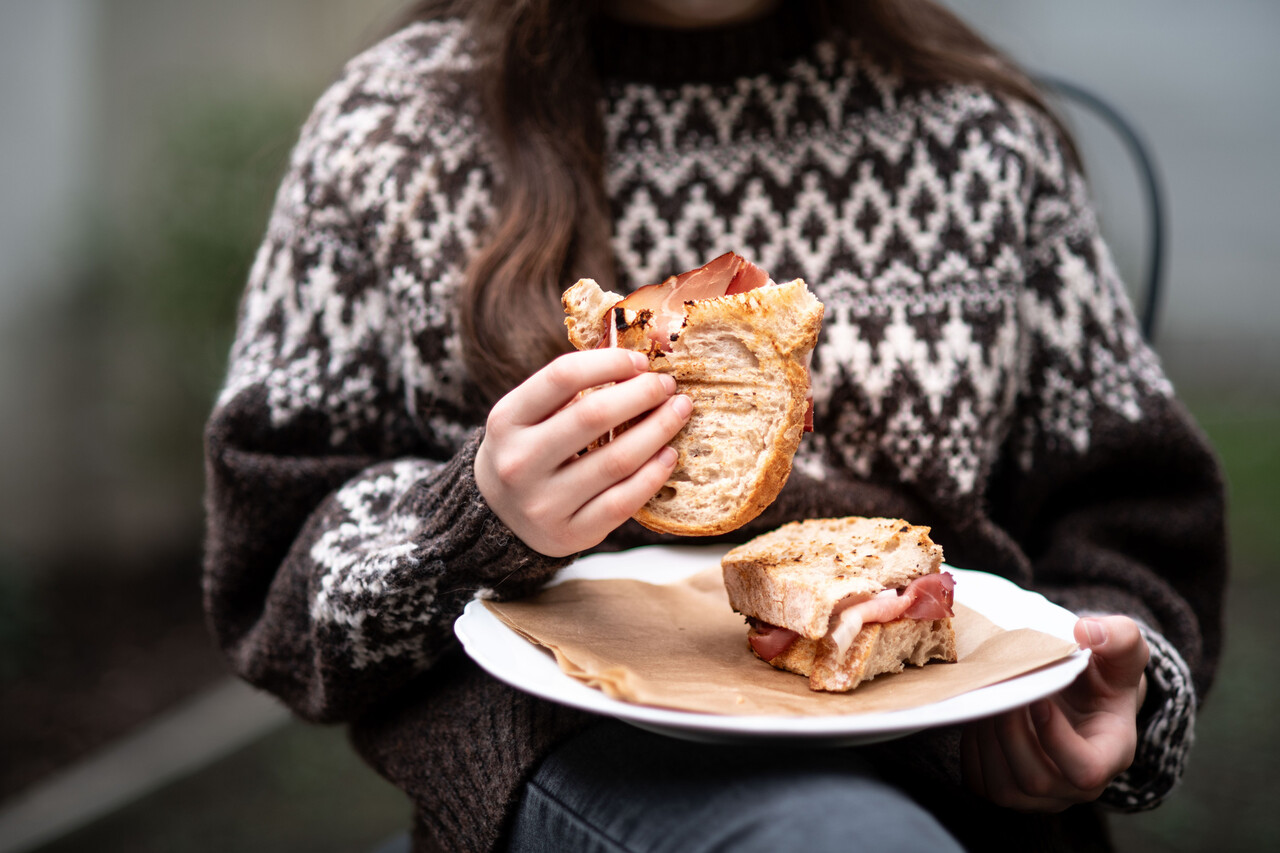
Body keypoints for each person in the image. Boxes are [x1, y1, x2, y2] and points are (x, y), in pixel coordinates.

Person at [202, 1, 1226, 850]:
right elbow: (271, 561)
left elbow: (1131, 521)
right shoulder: (394, 130)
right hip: (570, 761)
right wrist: (467, 521)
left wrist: (1104, 688)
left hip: (958, 767)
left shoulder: (981, 138)